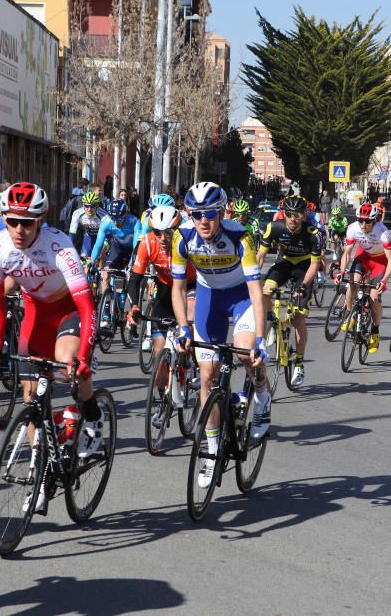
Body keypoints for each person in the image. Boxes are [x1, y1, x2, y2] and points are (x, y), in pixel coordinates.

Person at [0, 183, 101, 514]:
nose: (19, 229)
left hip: (68, 312)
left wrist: (84, 356)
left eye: (28, 222)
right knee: (30, 396)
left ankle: (91, 418)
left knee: (67, 366)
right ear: (4, 219)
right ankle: (41, 464)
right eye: (13, 221)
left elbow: (87, 306)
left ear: (41, 220)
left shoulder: (60, 247)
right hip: (36, 315)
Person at [170, 182, 268, 490]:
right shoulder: (182, 236)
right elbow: (177, 288)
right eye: (196, 214)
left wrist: (261, 339)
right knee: (207, 374)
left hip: (241, 297)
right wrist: (183, 327)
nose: (203, 221)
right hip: (209, 297)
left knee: (244, 352)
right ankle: (211, 453)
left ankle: (262, 397)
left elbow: (256, 291)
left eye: (210, 213)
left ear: (222, 212)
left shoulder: (240, 237)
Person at [127, 205, 196, 426]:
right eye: (158, 232)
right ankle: (162, 402)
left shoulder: (188, 241)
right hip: (166, 290)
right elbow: (135, 280)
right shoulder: (147, 242)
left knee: (189, 320)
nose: (163, 238)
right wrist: (135, 307)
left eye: (168, 232)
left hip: (192, 286)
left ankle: (190, 362)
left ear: (177, 229)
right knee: (159, 353)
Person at [257, 195, 322, 386]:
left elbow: (315, 265)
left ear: (304, 215)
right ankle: (270, 320)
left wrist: (303, 287)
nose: (293, 219)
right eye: (289, 214)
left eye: (298, 215)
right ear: (283, 213)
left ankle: (300, 363)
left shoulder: (314, 233)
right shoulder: (274, 227)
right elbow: (260, 256)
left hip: (305, 268)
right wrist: (251, 279)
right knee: (265, 290)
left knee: (299, 317)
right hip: (284, 263)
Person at [338, 203, 391, 353]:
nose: (363, 224)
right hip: (363, 257)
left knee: (374, 298)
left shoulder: (382, 232)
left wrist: (384, 281)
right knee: (353, 283)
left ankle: (375, 331)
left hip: (380, 262)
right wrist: (341, 271)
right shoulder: (353, 228)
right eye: (360, 220)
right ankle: (351, 315)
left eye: (367, 221)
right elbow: (347, 253)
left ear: (374, 220)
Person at [89, 198, 141, 315]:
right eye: (113, 219)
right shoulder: (106, 221)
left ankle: (123, 302)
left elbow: (136, 247)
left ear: (125, 215)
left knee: (128, 276)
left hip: (131, 251)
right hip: (116, 248)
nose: (115, 222)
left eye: (118, 218)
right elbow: (98, 244)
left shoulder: (134, 221)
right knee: (106, 274)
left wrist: (132, 263)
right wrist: (91, 261)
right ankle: (106, 307)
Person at [68, 191, 108, 260]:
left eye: (92, 206)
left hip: (103, 238)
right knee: (84, 260)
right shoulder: (77, 214)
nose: (89, 209)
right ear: (83, 205)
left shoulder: (104, 215)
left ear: (97, 206)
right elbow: (72, 234)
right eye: (87, 206)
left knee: (100, 257)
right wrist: (69, 249)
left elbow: (109, 235)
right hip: (88, 236)